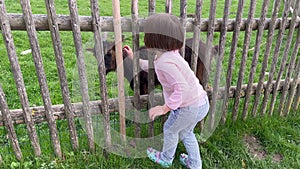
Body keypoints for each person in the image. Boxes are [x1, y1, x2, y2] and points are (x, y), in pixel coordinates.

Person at [123, 13, 209, 169]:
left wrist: (165, 108)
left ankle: (166, 158)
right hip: (200, 102)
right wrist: (132, 57)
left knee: (169, 129)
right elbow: (151, 66)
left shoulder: (165, 62)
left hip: (188, 107)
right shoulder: (168, 55)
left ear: (155, 40)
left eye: (147, 35)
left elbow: (181, 88)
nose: (145, 38)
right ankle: (195, 164)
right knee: (186, 133)